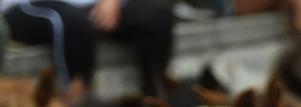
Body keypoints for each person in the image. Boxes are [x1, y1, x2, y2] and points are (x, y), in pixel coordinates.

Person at [2, 0, 175, 97]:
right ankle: (75, 105)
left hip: (90, 7)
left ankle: (154, 101)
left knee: (157, 14)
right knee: (72, 23)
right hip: (29, 6)